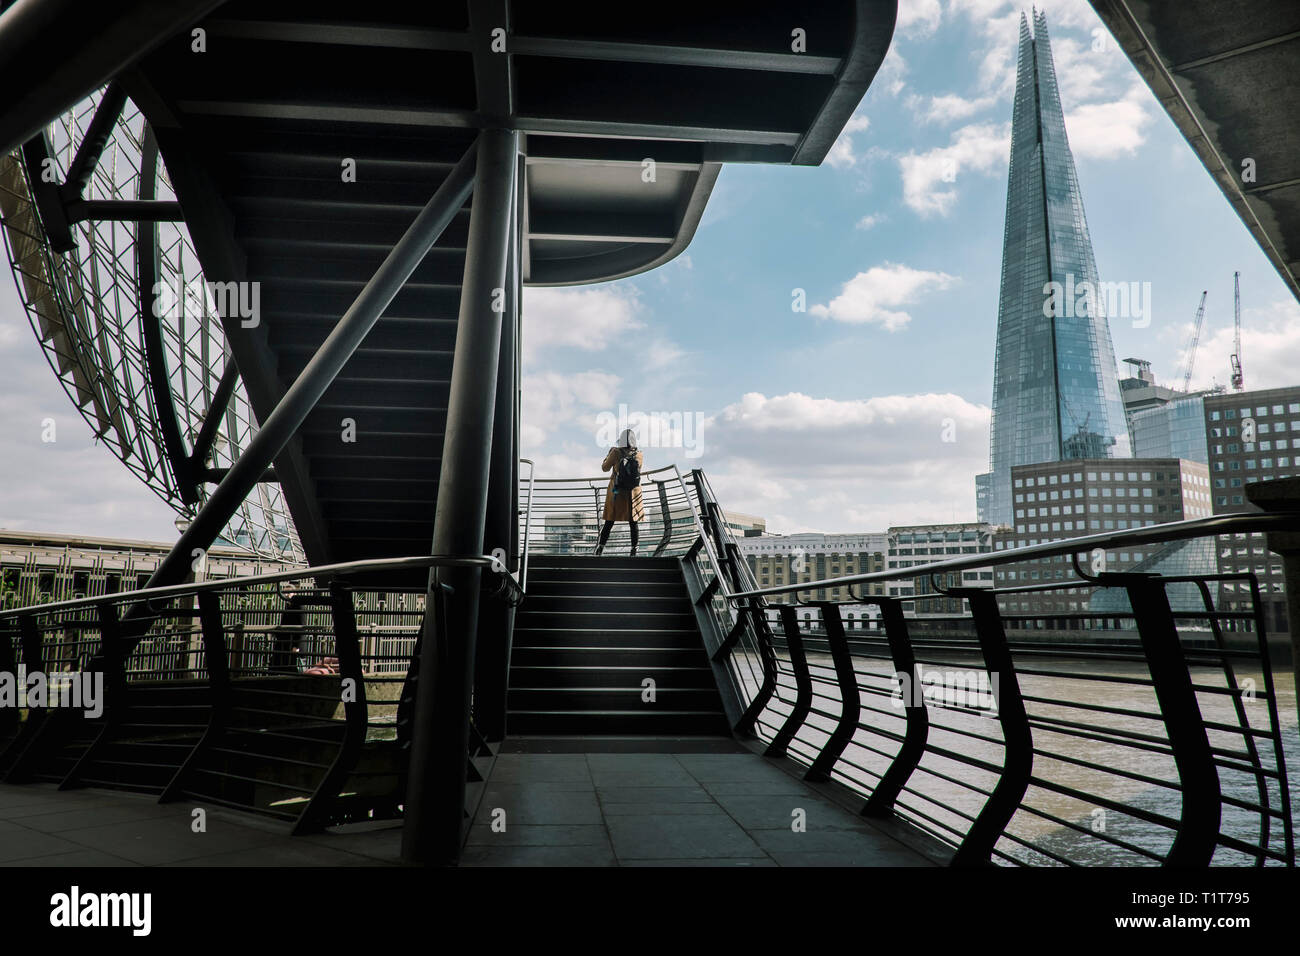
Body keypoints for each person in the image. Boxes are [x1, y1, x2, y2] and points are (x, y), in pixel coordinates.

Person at [595, 428, 644, 556]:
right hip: (633, 492)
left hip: (617, 491)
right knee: (634, 522)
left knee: (610, 520)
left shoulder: (616, 452)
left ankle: (600, 548)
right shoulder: (639, 454)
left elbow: (604, 468)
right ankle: (634, 550)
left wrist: (609, 453)